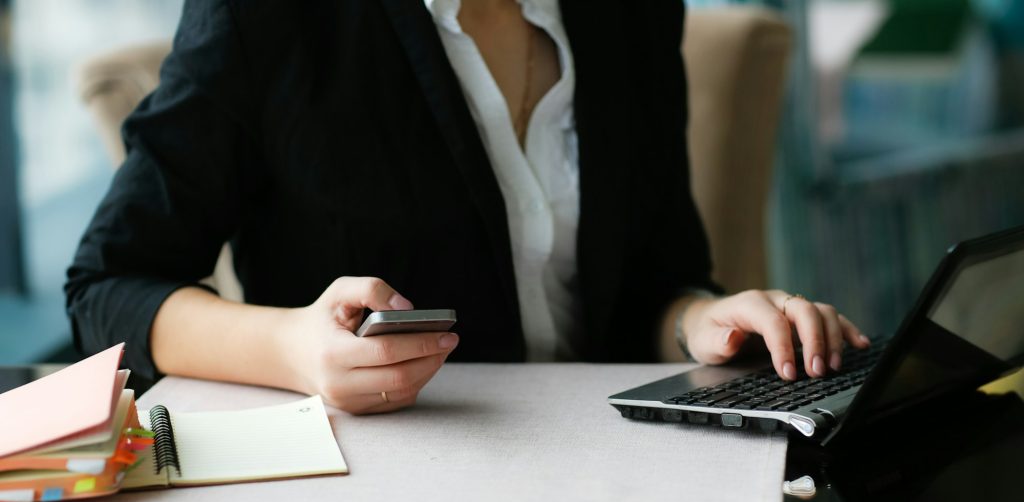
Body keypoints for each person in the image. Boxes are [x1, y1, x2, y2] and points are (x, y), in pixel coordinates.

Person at [66, 0, 869, 415]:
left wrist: (705, 318)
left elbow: (654, 284)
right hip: (387, 492)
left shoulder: (630, 13)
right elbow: (107, 285)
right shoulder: (269, 18)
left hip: (617, 470)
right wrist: (292, 347)